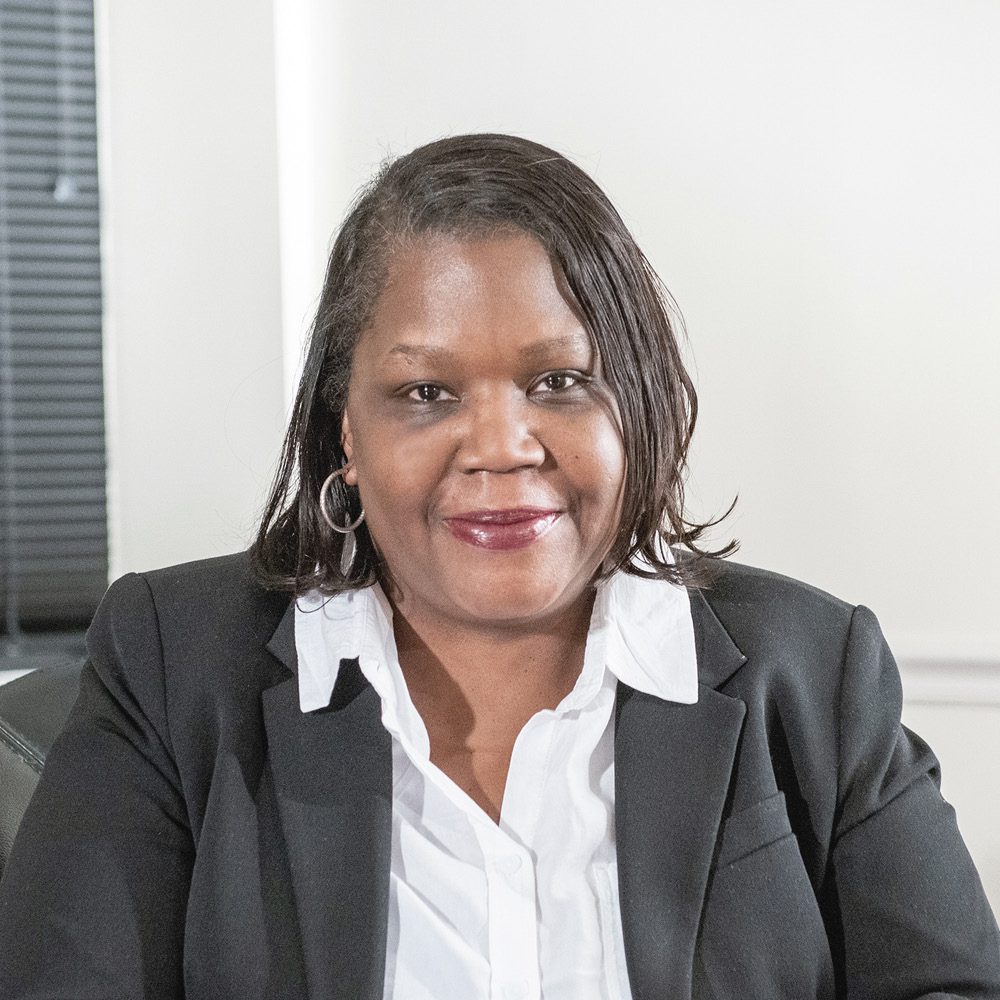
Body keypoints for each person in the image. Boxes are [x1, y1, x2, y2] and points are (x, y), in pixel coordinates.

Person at [0, 133, 997, 1000]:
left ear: (635, 406)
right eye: (426, 391)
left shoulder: (812, 670)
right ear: (345, 431)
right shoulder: (175, 667)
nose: (500, 444)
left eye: (558, 380)